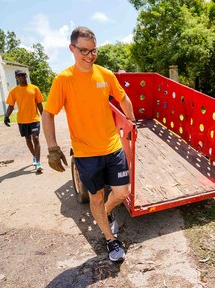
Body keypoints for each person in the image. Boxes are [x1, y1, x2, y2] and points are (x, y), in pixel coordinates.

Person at [42, 26, 136, 262]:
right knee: (95, 197)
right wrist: (53, 148)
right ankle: (110, 240)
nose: (89, 56)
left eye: (93, 51)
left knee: (123, 192)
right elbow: (48, 113)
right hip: (86, 153)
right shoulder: (64, 79)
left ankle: (106, 212)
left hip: (113, 147)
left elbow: (123, 97)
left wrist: (132, 122)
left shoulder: (105, 74)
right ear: (72, 48)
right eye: (84, 50)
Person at [4, 70, 44, 173]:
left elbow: (39, 103)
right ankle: (34, 156)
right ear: (16, 78)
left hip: (34, 119)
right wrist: (6, 116)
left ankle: (38, 163)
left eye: (23, 75)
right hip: (22, 120)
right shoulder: (14, 91)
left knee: (35, 138)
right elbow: (11, 105)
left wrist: (44, 116)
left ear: (26, 76)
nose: (21, 77)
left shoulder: (34, 88)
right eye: (19, 76)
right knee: (28, 139)